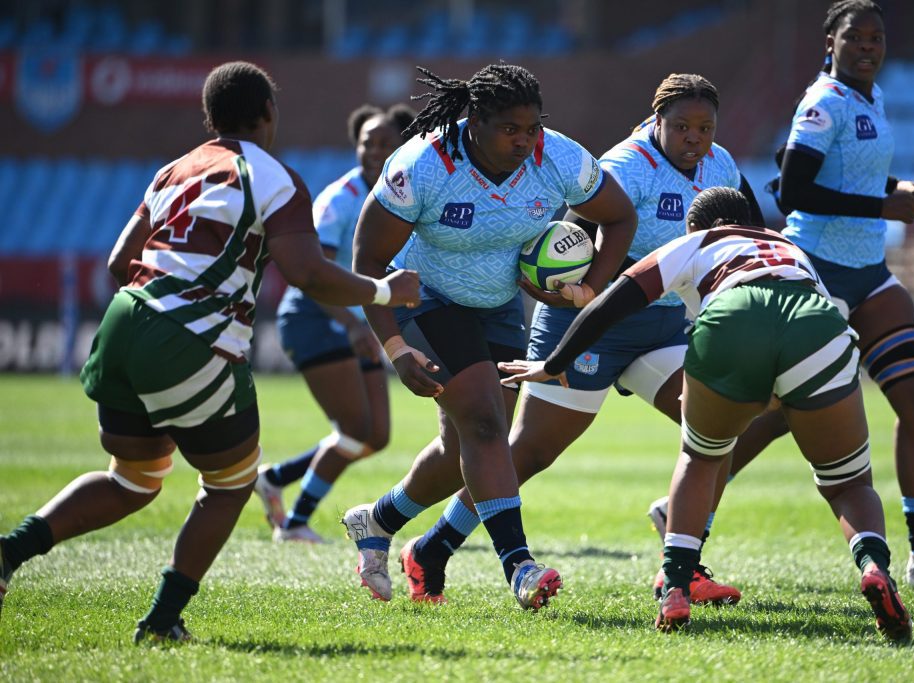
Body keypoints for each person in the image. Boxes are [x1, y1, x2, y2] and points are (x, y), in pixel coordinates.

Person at [0, 61, 420, 642]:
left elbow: (120, 262)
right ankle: (162, 620)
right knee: (228, 485)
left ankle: (9, 551)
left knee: (133, 480)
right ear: (268, 112)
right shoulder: (275, 178)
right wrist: (385, 291)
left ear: (209, 117)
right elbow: (308, 273)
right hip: (190, 336)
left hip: (121, 324)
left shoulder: (173, 170)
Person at [398, 73, 766, 605]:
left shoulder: (721, 165)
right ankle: (432, 549)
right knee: (529, 452)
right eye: (682, 126)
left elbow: (749, 228)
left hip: (665, 326)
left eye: (705, 127)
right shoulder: (627, 165)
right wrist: (582, 290)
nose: (694, 137)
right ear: (656, 120)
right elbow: (572, 230)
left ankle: (682, 565)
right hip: (592, 324)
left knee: (718, 424)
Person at [672, 0, 914, 591]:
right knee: (777, 414)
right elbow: (793, 190)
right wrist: (886, 206)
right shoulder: (823, 102)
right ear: (831, 44)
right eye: (855, 37)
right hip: (816, 270)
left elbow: (839, 173)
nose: (868, 46)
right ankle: (688, 517)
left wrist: (897, 189)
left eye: (876, 37)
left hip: (870, 271)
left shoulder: (872, 98)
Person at [501, 186, 913, 641]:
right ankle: (874, 568)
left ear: (697, 225)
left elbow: (613, 302)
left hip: (734, 316)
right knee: (849, 483)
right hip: (818, 325)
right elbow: (806, 314)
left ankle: (676, 587)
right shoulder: (788, 246)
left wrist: (554, 363)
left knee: (701, 456)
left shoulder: (697, 241)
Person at [342, 62, 638, 610]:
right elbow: (368, 259)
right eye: (510, 129)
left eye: (532, 128)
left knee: (464, 447)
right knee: (485, 424)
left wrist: (588, 289)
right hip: (424, 298)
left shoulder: (559, 156)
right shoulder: (423, 164)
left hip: (499, 307)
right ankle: (519, 566)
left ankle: (376, 520)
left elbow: (619, 217)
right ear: (474, 121)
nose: (524, 141)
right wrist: (396, 349)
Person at [253, 103, 416, 544]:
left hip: (357, 323)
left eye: (385, 143)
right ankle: (295, 523)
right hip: (315, 318)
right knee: (354, 431)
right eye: (367, 143)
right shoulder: (340, 199)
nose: (375, 151)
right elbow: (313, 277)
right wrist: (353, 325)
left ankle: (275, 478)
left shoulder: (401, 196)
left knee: (376, 436)